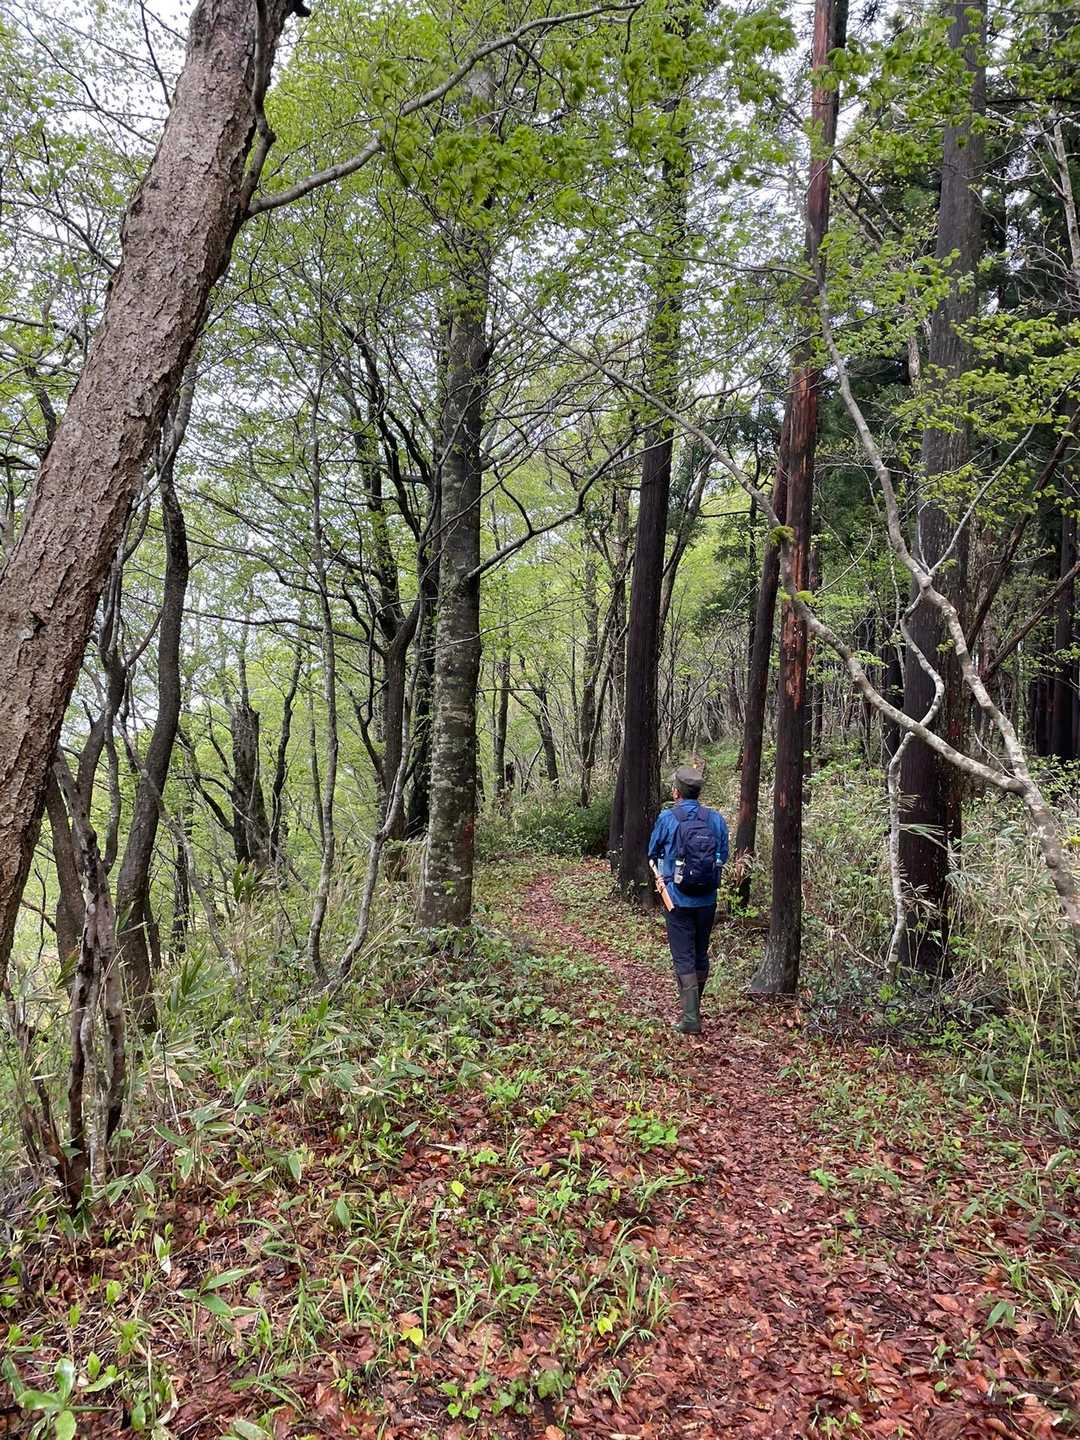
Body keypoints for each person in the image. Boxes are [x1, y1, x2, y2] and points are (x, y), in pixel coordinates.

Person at [647, 765, 729, 1035]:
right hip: (708, 899)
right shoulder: (715, 819)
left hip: (677, 899)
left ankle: (691, 1018)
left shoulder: (667, 818)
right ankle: (693, 1009)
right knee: (700, 953)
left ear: (676, 792)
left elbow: (652, 851)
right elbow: (723, 855)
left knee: (683, 956)